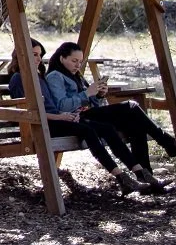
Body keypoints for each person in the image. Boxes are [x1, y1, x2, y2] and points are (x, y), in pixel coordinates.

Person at [46, 40, 176, 192]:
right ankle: (168, 143)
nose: (78, 65)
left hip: (90, 114)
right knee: (131, 106)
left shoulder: (76, 76)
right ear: (62, 58)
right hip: (77, 118)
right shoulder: (55, 76)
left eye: (80, 61)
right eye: (74, 61)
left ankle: (147, 178)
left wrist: (98, 95)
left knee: (136, 125)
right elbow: (61, 106)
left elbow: (96, 105)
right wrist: (86, 93)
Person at [8, 41, 143, 194]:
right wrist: (60, 117)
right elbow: (27, 113)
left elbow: (53, 105)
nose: (39, 59)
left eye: (39, 55)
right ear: (21, 55)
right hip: (43, 125)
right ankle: (121, 178)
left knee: (106, 128)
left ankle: (139, 173)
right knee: (87, 130)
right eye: (34, 55)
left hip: (57, 120)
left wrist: (69, 115)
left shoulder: (38, 77)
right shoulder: (18, 79)